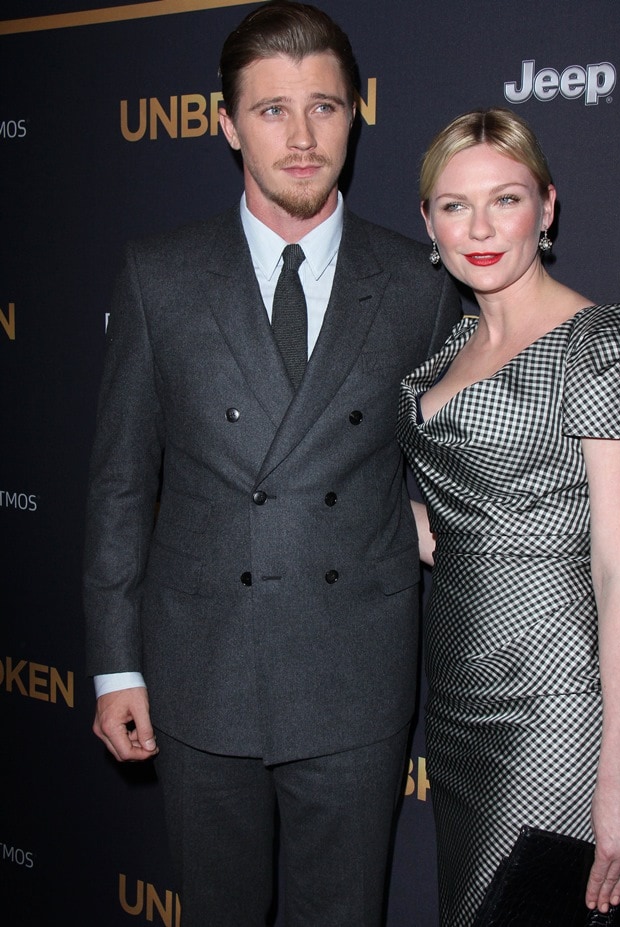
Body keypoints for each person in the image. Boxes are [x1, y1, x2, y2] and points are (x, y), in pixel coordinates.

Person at [83, 3, 460, 925]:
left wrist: (428, 521)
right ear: (225, 125)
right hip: (199, 667)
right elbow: (121, 482)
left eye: (324, 108)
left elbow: (457, 459)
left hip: (355, 671)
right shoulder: (159, 274)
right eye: (271, 111)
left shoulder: (419, 280)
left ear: (355, 115)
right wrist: (113, 667)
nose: (301, 138)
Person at [396, 107, 620, 926]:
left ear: (546, 208)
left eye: (505, 199)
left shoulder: (600, 344)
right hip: (453, 699)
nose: (479, 227)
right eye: (454, 205)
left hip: (553, 707)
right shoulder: (450, 350)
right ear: (428, 220)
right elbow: (454, 524)